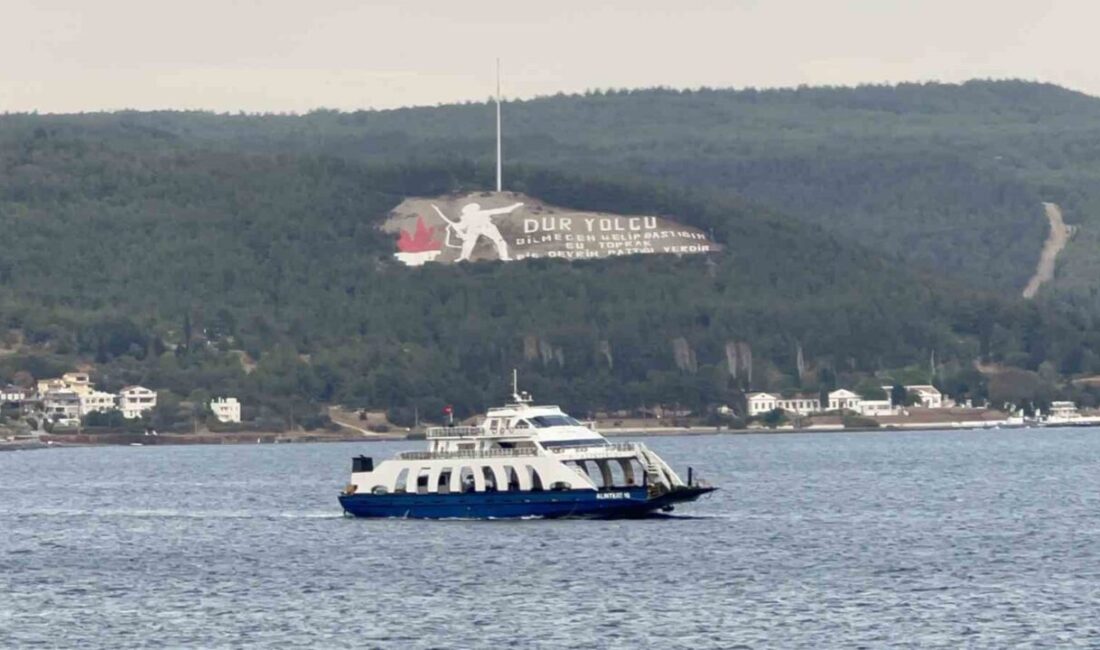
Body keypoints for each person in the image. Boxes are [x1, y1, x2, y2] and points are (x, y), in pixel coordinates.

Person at [432, 201, 524, 262]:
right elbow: (457, 225)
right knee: (468, 243)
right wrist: (457, 228)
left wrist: (515, 206)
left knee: (500, 241)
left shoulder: (482, 213)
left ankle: (504, 257)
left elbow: (502, 210)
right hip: (474, 229)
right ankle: (464, 258)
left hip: (487, 227)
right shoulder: (467, 218)